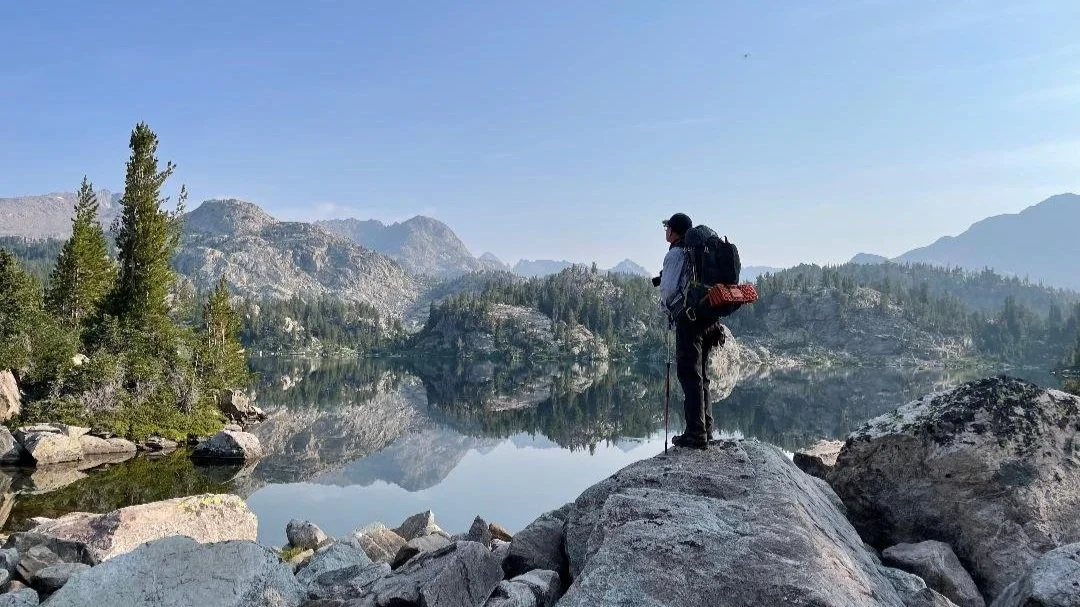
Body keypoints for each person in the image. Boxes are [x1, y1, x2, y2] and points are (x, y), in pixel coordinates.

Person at [657, 212, 725, 450]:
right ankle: (705, 427)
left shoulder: (676, 254)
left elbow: (667, 291)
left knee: (689, 375)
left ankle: (695, 434)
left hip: (690, 320)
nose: (666, 231)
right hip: (710, 319)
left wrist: (665, 308)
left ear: (674, 232)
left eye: (667, 227)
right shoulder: (699, 253)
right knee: (702, 375)